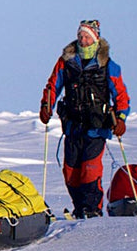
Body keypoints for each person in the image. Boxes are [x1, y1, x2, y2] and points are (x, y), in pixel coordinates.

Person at [38, 19, 131, 218]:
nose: (83, 40)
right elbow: (52, 86)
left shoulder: (109, 66)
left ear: (96, 38)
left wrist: (121, 118)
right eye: (80, 36)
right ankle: (80, 207)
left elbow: (121, 96)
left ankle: (92, 208)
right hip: (72, 126)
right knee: (70, 171)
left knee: (90, 169)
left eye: (87, 36)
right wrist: (46, 107)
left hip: (97, 127)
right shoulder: (66, 62)